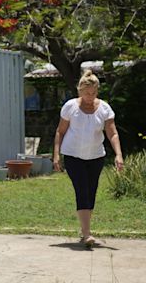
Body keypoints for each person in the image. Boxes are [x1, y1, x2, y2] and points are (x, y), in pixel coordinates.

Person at [53, 70, 124, 247]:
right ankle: (86, 234)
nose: (90, 97)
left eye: (93, 93)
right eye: (86, 93)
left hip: (95, 157)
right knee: (82, 190)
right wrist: (56, 155)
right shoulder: (70, 107)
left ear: (97, 91)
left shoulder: (105, 109)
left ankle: (85, 229)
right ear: (80, 91)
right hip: (73, 155)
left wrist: (118, 154)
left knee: (91, 193)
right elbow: (60, 131)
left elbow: (112, 133)